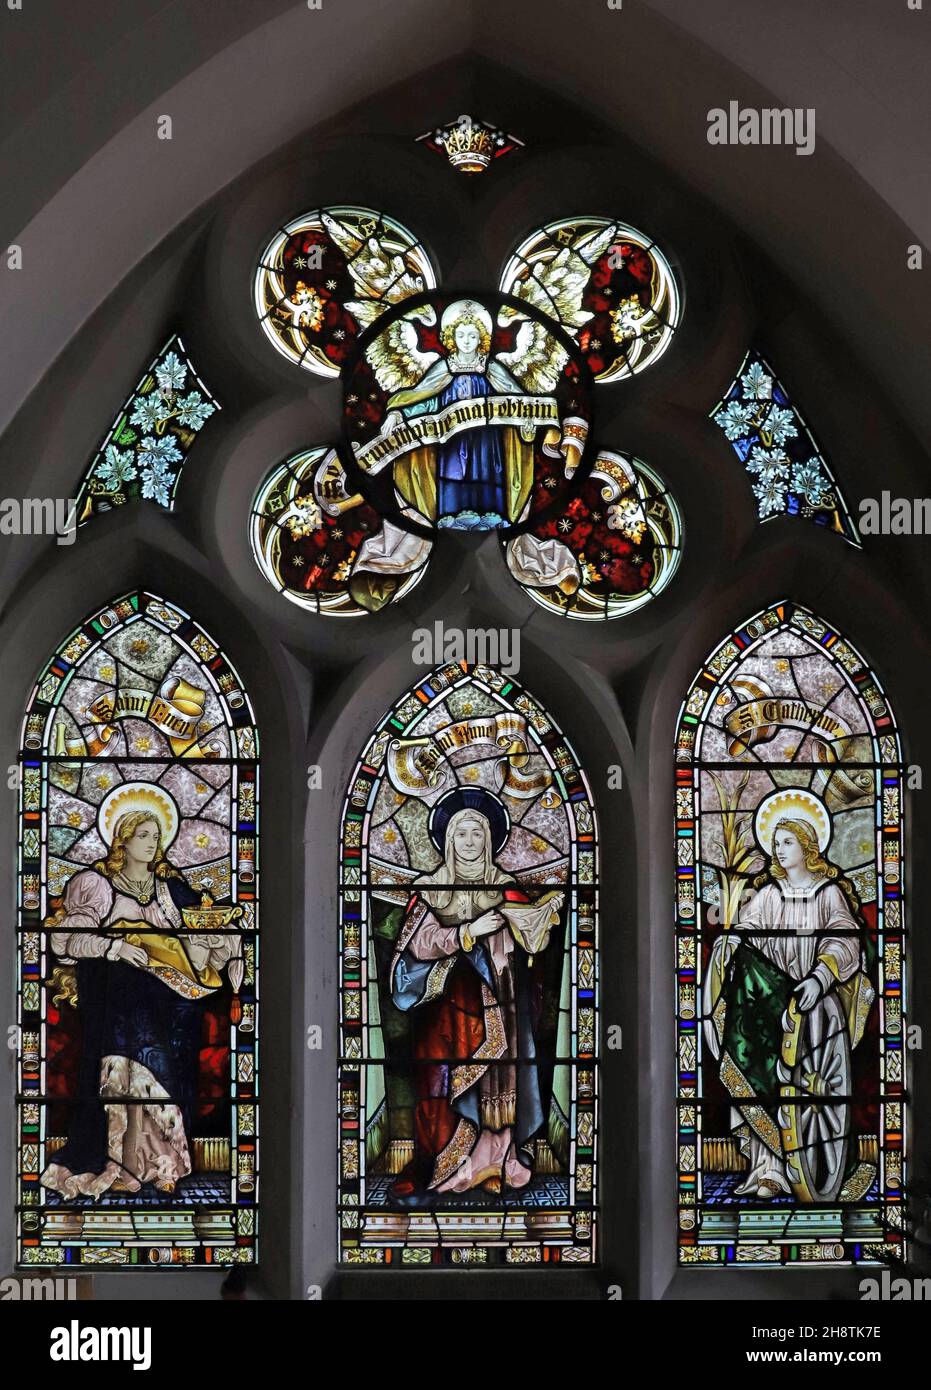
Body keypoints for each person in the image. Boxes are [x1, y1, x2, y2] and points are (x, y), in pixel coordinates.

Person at [41, 794, 242, 1200]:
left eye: (156, 836)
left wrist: (219, 940)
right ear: (122, 841)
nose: (152, 843)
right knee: (124, 1081)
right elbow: (66, 942)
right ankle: (119, 1163)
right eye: (143, 835)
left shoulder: (172, 892)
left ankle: (162, 1165)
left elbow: (196, 949)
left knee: (166, 1079)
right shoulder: (95, 885)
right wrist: (114, 949)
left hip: (169, 1010)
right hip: (117, 1006)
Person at [704, 806, 873, 1200]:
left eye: (787, 842)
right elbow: (749, 930)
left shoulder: (828, 893)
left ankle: (816, 1169)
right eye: (776, 843)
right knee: (758, 1064)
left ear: (807, 846)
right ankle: (769, 1171)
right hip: (768, 1002)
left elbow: (844, 940)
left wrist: (819, 977)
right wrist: (732, 940)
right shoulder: (768, 894)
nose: (779, 850)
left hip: (812, 1001)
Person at [387, 797, 547, 1202]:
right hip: (447, 1007)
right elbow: (418, 944)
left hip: (501, 996)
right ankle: (457, 1166)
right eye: (462, 832)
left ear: (491, 838)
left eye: (478, 832)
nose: (471, 840)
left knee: (501, 1078)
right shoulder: (430, 889)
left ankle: (497, 1160)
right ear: (447, 840)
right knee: (449, 1083)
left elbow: (532, 945)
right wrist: (466, 932)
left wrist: (529, 923)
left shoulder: (505, 887)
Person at [381, 302, 534, 528]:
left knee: (486, 472)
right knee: (452, 472)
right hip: (451, 439)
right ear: (451, 338)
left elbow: (518, 398)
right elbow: (422, 398)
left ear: (481, 339)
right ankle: (450, 518)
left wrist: (527, 421)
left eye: (472, 336)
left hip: (486, 437)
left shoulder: (490, 367)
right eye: (461, 335)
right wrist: (397, 413)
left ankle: (491, 518)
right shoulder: (444, 368)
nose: (466, 341)